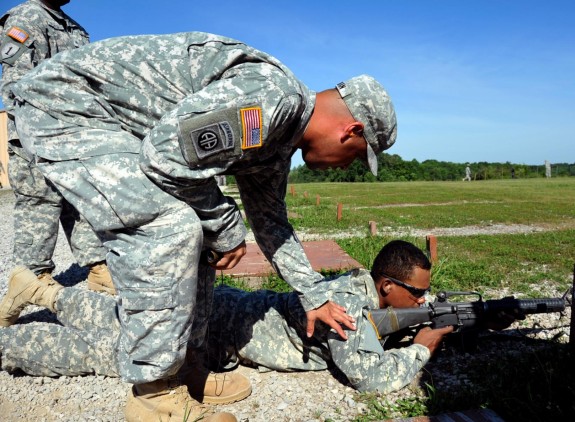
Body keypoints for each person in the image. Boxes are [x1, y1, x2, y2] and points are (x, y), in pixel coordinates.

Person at [8, 32, 397, 421]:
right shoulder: (272, 99)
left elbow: (271, 222)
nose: (346, 167)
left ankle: (186, 363)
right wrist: (227, 224)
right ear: (352, 130)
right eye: (356, 158)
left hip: (116, 126)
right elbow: (164, 156)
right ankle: (155, 397)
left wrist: (313, 294)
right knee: (168, 225)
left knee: (208, 233)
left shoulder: (279, 140)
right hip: (68, 107)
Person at [0, 240, 453, 397]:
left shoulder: (364, 292)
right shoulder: (346, 307)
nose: (424, 296)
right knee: (114, 350)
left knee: (122, 315)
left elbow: (399, 323)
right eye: (417, 291)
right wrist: (424, 343)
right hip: (218, 333)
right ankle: (9, 346)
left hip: (225, 309)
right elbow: (369, 377)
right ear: (388, 287)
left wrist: (463, 317)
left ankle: (42, 290)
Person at [0, 0, 114, 294]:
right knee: (40, 201)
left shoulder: (75, 28)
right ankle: (31, 280)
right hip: (35, 132)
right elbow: (16, 86)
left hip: (73, 135)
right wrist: (43, 131)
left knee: (81, 200)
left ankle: (97, 266)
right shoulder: (26, 17)